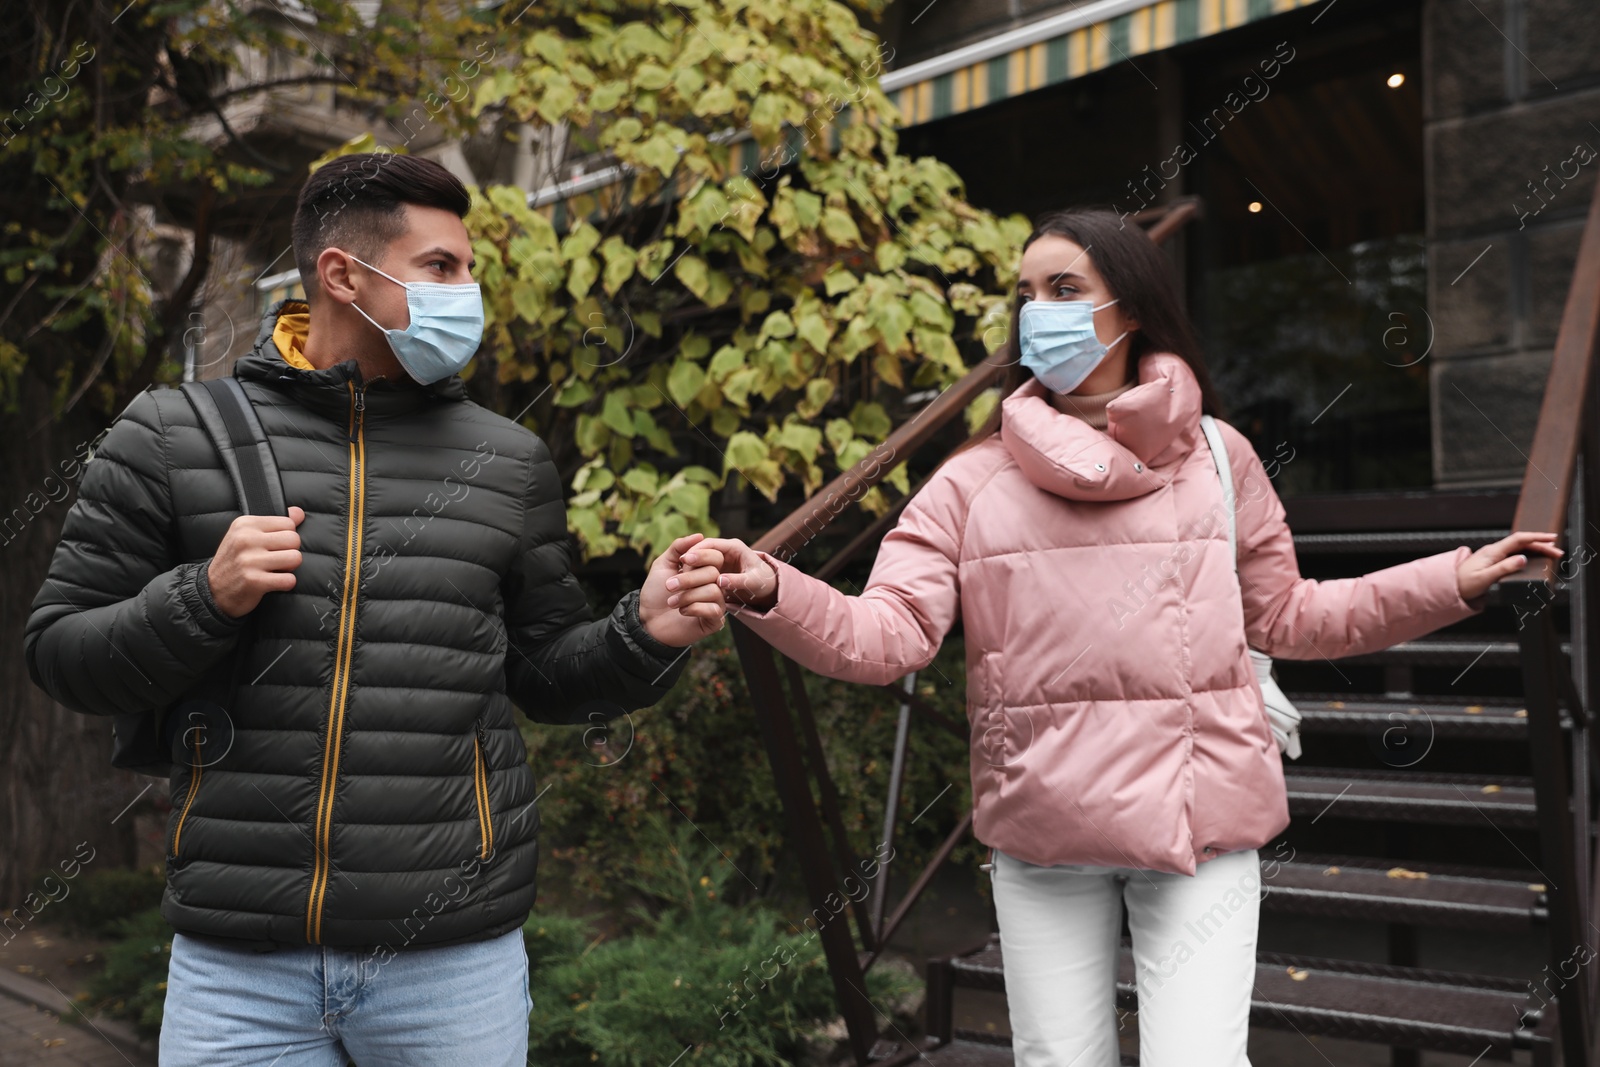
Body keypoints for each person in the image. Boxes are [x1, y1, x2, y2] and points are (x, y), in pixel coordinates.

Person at [669, 207, 1562, 1066]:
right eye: (1026, 293)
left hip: (1199, 826)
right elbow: (889, 633)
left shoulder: (1220, 455)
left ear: (1130, 307)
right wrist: (771, 586)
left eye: (1065, 286)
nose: (1039, 312)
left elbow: (1291, 616)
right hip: (1042, 834)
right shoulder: (970, 482)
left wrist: (1452, 579)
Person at [23, 152, 727, 1066]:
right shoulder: (169, 434)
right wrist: (205, 595)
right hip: (240, 971)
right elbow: (59, 653)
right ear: (343, 275)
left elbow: (544, 674)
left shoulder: (508, 462)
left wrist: (644, 631)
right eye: (441, 267)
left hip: (453, 968)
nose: (467, 291)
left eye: (470, 270)